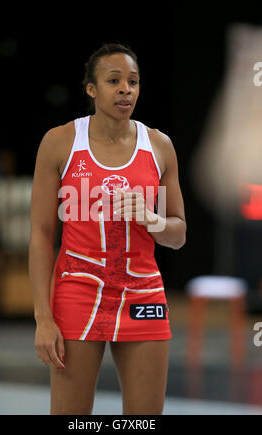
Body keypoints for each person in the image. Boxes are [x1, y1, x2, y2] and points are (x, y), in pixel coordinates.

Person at [29, 42, 187, 415]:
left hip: (142, 294)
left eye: (133, 81)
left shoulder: (159, 146)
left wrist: (152, 219)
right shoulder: (60, 142)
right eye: (114, 80)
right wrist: (43, 317)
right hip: (78, 292)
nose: (125, 89)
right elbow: (39, 234)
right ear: (91, 89)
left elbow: (178, 234)